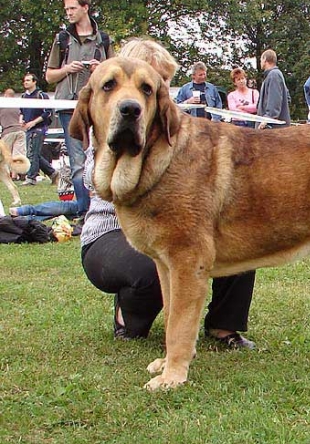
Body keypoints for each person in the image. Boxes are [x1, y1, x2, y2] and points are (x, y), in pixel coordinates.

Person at [81, 38, 256, 347]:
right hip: (108, 235)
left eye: (157, 87)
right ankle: (128, 319)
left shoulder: (171, 129)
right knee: (162, 261)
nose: (157, 96)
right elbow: (89, 179)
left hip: (164, 228)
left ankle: (224, 327)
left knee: (235, 240)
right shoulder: (105, 121)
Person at [46, 0, 115, 218]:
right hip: (68, 107)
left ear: (85, 7)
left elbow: (118, 76)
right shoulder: (62, 39)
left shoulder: (103, 39)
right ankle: (85, 213)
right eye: (66, 9)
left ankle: (104, 208)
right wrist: (67, 69)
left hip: (98, 108)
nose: (68, 13)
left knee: (101, 156)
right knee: (77, 162)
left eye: (72, 8)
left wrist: (100, 69)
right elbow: (49, 76)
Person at [19, 73, 57, 186]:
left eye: (28, 80)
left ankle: (31, 178)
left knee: (33, 153)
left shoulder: (41, 95)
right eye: (24, 80)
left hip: (39, 128)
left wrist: (34, 122)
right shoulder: (23, 97)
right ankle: (53, 173)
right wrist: (21, 119)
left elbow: (48, 112)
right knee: (34, 153)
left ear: (34, 82)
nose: (25, 82)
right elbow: (21, 111)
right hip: (28, 128)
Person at [256, 49, 291, 129]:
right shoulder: (273, 75)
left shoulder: (273, 75)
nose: (260, 62)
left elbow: (275, 100)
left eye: (261, 60)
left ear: (265, 59)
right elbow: (287, 98)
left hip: (273, 129)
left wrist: (267, 118)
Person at [0, 89, 27, 168]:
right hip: (21, 131)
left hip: (8, 131)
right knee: (18, 154)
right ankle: (17, 174)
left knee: (6, 155)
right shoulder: (19, 105)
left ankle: (7, 174)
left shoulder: (2, 106)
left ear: (5, 95)